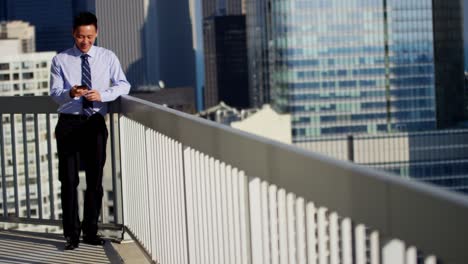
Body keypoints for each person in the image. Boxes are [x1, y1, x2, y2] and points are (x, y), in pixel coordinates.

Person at [50, 12, 131, 250]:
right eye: (80, 36)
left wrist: (102, 95)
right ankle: (71, 235)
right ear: (73, 34)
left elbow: (123, 84)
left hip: (94, 121)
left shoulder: (107, 57)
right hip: (69, 122)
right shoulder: (60, 59)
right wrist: (70, 93)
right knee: (69, 180)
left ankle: (91, 231)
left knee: (95, 179)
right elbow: (54, 94)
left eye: (89, 36)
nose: (84, 41)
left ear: (96, 33)